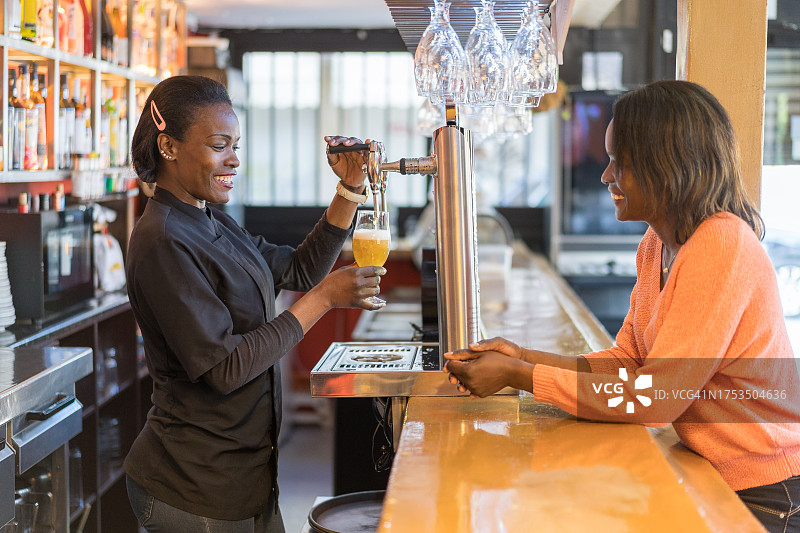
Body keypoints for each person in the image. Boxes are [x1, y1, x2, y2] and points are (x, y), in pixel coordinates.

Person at [444, 80, 800, 532]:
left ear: (666, 166)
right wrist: (523, 356)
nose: (606, 175)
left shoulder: (722, 246)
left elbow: (653, 398)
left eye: (620, 162)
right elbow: (628, 362)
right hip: (712, 472)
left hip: (767, 494)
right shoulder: (657, 243)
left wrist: (521, 377)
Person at [124, 75, 384, 533]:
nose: (234, 160)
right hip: (195, 486)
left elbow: (299, 271)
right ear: (168, 147)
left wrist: (350, 187)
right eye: (220, 145)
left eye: (236, 145)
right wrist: (323, 300)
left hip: (247, 476)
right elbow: (223, 367)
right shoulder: (163, 240)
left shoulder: (211, 220)